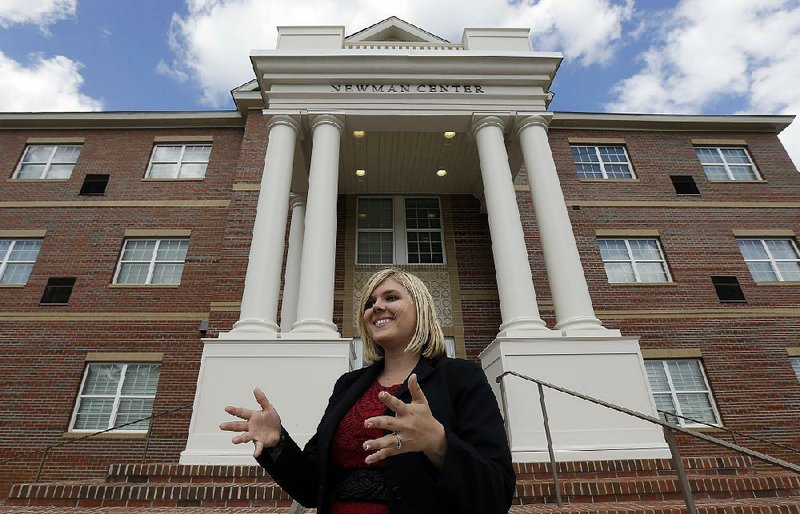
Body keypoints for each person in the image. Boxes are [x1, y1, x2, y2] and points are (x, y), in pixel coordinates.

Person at [220, 268, 515, 514]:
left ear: (421, 308)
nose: (377, 307)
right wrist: (276, 442)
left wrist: (437, 442)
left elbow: (496, 493)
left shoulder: (460, 377)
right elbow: (312, 488)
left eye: (391, 297)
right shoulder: (349, 385)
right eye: (369, 302)